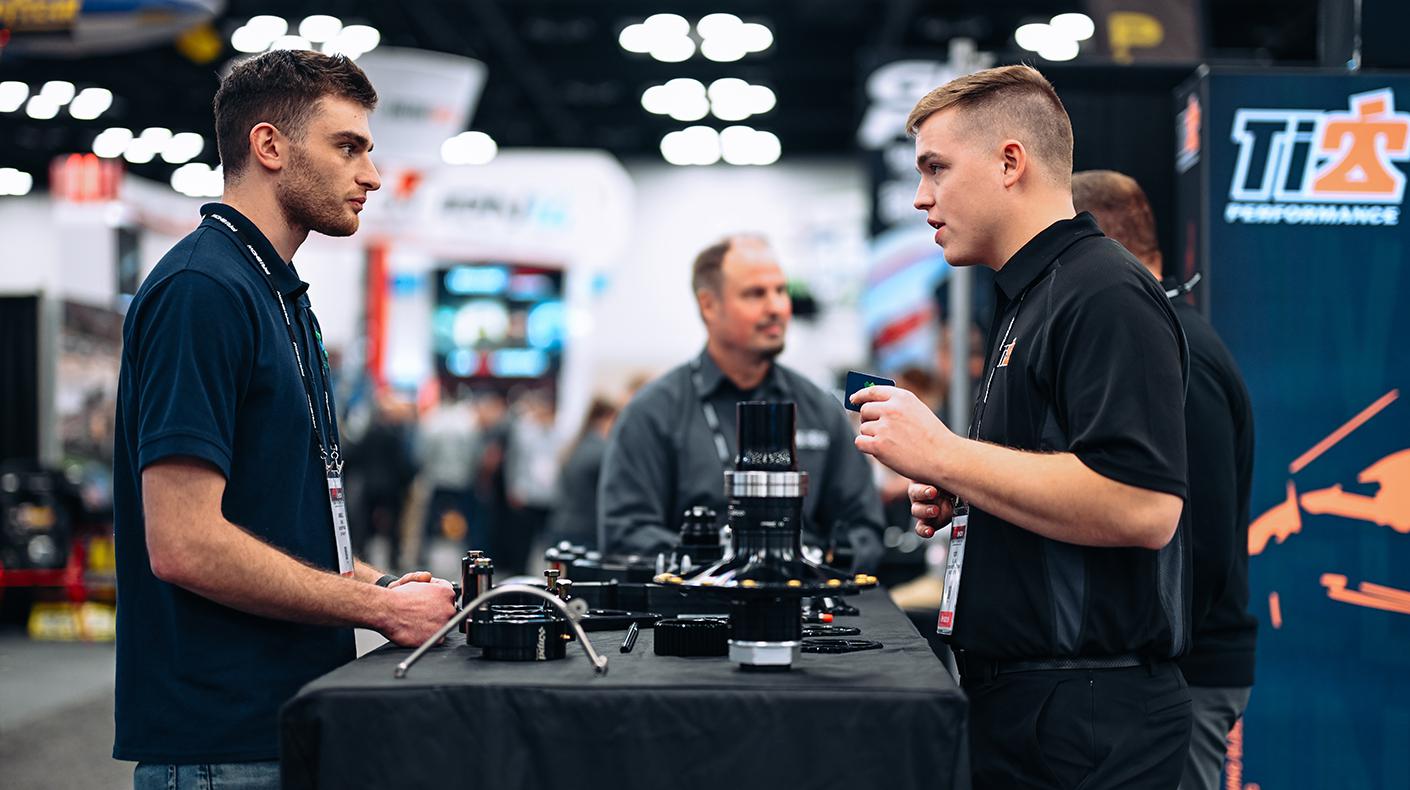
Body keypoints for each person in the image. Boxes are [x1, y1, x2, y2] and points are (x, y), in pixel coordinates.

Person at [111, 50, 455, 787]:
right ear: (270, 146)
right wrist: (373, 608)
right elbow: (183, 543)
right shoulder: (202, 290)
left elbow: (279, 526)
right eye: (348, 147)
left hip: (285, 720)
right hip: (220, 746)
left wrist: (386, 587)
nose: (371, 175)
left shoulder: (278, 296)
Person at [850, 65, 1192, 789]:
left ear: (1011, 162)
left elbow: (1143, 504)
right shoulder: (1031, 297)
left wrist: (946, 453)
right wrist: (966, 485)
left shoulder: (1102, 293)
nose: (921, 197)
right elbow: (1063, 470)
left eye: (936, 168)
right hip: (1031, 706)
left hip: (1088, 722)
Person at [1072, 169, 1257, 790]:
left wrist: (1156, 656)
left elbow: (1198, 527)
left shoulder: (1180, 349)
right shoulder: (1162, 335)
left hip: (1189, 672)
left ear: (1099, 244)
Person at [599, 234, 885, 571]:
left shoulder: (819, 410)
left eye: (781, 291)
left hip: (806, 607)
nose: (776, 307)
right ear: (709, 305)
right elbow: (625, 534)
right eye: (755, 294)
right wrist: (722, 563)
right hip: (696, 611)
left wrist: (817, 561)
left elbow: (864, 528)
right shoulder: (653, 413)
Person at [544, 394, 620, 549]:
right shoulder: (602, 451)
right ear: (607, 419)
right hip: (586, 531)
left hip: (562, 524)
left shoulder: (576, 445)